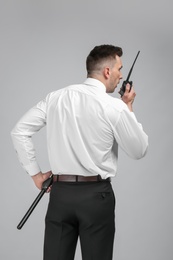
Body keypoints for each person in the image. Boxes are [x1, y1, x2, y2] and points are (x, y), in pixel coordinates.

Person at [11, 44, 148, 260]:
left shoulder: (55, 98)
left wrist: (35, 174)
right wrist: (128, 107)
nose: (121, 76)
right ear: (107, 71)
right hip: (96, 196)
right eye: (119, 69)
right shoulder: (114, 106)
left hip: (60, 195)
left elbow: (19, 132)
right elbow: (139, 149)